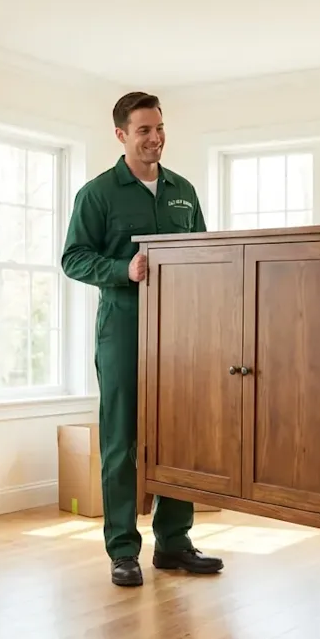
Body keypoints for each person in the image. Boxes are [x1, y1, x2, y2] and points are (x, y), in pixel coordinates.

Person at [61, 92, 224, 587]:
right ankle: (122, 550)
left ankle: (174, 542)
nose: (155, 138)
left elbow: (202, 252)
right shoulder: (97, 194)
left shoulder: (183, 191)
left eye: (159, 128)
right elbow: (73, 258)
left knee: (180, 436)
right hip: (123, 330)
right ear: (121, 135)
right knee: (121, 441)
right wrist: (122, 270)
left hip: (180, 334)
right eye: (144, 131)